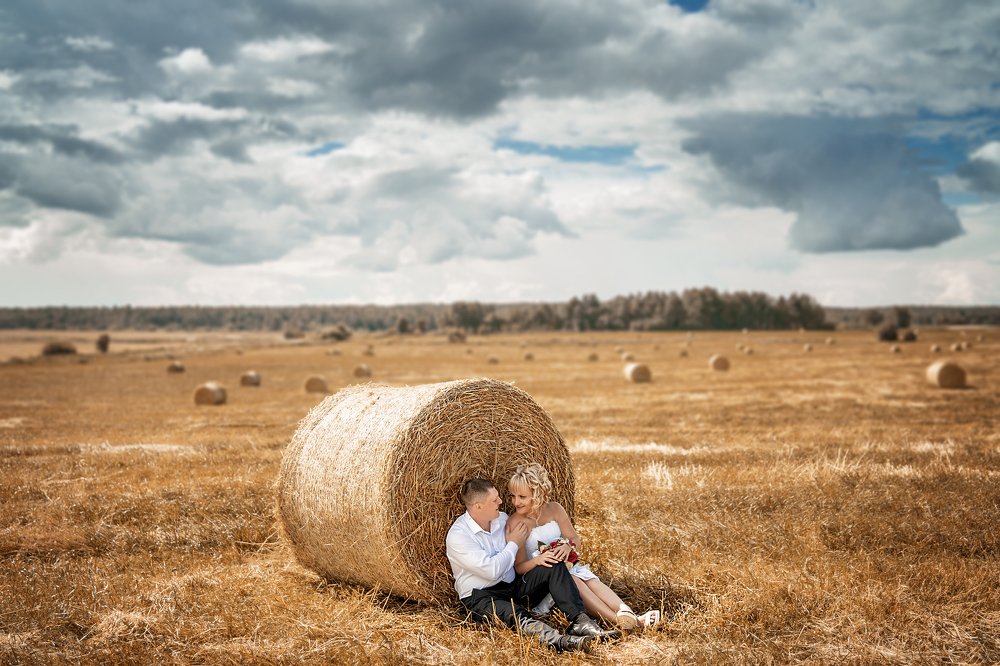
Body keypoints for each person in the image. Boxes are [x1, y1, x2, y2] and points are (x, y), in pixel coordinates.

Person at [445, 478, 620, 653]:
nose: (501, 501)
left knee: (553, 563)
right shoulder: (459, 536)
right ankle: (563, 642)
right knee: (517, 615)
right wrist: (513, 543)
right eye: (494, 500)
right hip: (482, 596)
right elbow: (492, 571)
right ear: (478, 507)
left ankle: (581, 621)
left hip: (513, 587)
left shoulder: (502, 520)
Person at [507, 463, 661, 631]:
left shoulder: (555, 509)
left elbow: (574, 538)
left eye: (522, 497)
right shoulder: (516, 522)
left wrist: (568, 546)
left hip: (564, 567)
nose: (516, 502)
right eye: (513, 496)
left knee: (590, 580)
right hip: (541, 580)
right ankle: (619, 621)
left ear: (537, 494)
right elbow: (519, 568)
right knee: (573, 579)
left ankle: (627, 612)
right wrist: (538, 560)